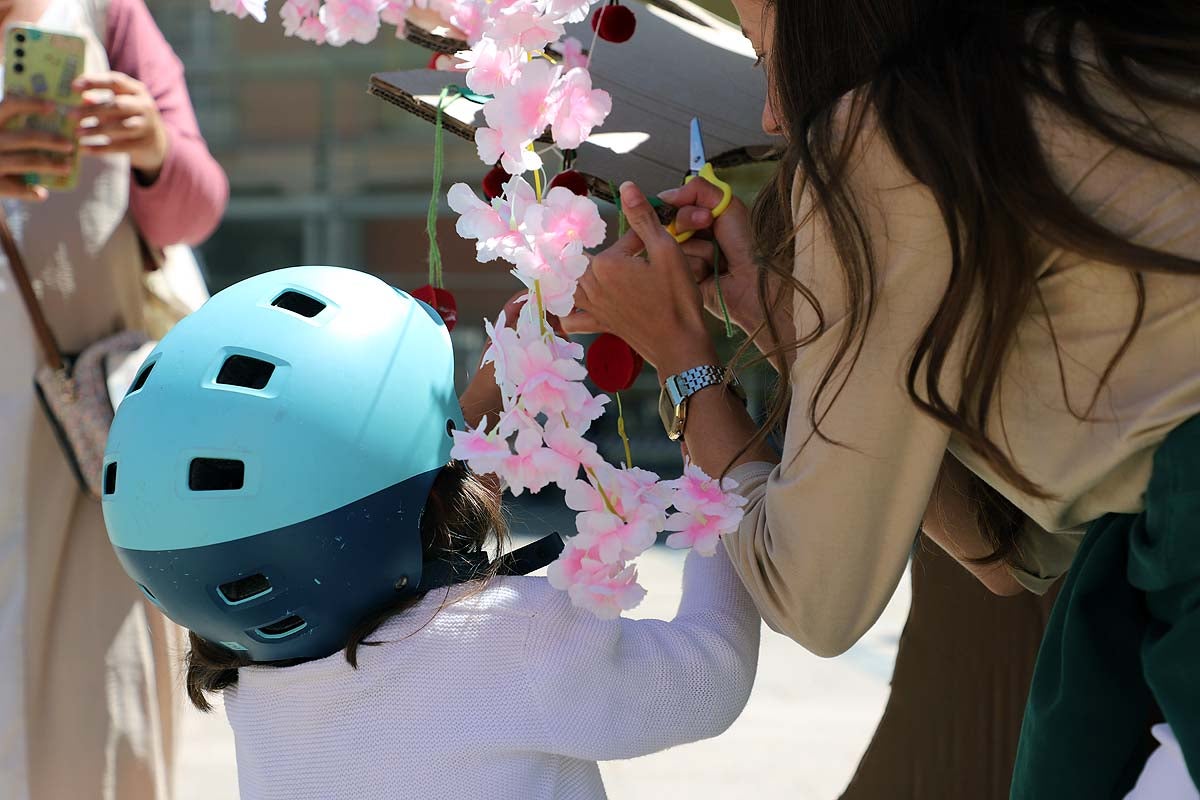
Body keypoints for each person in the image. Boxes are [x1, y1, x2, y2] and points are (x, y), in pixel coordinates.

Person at [564, 1, 1200, 797]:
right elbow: (997, 552)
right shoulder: (1076, 58)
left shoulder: (883, 130)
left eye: (765, 55)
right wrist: (775, 316)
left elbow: (816, 597)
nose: (769, 112)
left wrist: (685, 361)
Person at [99, 265, 760, 800]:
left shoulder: (260, 673)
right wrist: (708, 423)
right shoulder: (510, 637)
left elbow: (396, 491)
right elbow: (710, 677)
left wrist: (506, 376)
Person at [0, 0, 227, 797]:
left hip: (81, 450)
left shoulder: (104, 13)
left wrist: (155, 149)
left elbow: (197, 208)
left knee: (102, 720)